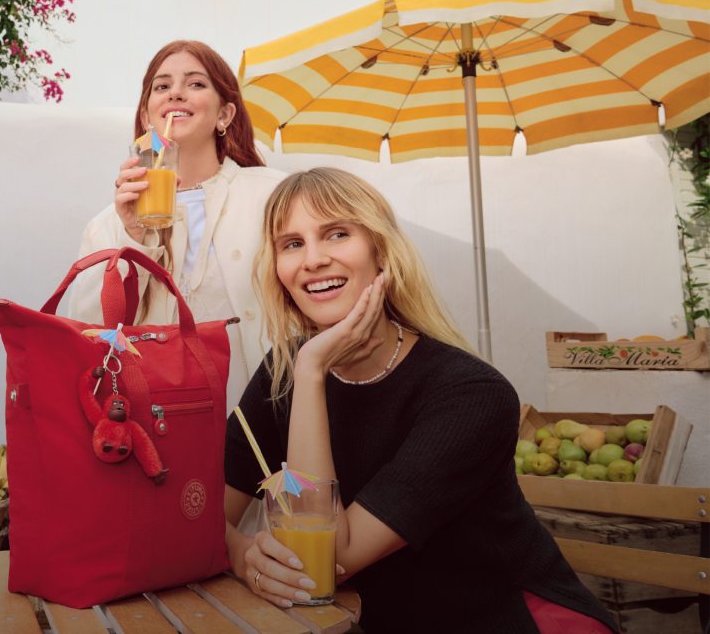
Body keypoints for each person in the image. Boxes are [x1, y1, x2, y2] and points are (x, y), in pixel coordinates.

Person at [224, 168, 617, 634]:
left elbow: (325, 565)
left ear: (381, 251)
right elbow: (196, 515)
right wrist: (244, 556)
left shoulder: (472, 396)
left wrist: (311, 373)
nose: (313, 259)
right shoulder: (284, 370)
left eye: (336, 233)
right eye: (291, 243)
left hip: (503, 620)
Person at [68, 40, 286, 407]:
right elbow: (88, 335)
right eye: (162, 86)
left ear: (225, 115)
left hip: (254, 417)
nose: (176, 94)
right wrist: (133, 237)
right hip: (152, 421)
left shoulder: (273, 197)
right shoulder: (106, 225)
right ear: (146, 115)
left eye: (196, 84)